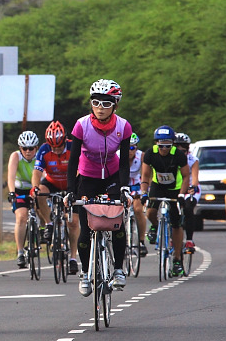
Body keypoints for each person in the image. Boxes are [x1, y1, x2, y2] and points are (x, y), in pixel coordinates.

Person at [66, 79, 132, 296]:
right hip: (87, 178)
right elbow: (73, 160)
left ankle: (119, 270)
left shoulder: (123, 127)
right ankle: (85, 273)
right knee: (86, 230)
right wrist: (70, 190)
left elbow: (123, 163)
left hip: (113, 176)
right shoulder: (81, 125)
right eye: (96, 103)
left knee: (116, 223)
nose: (100, 109)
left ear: (115, 105)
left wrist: (124, 188)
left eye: (106, 104)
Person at [141, 125, 190, 277]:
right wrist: (144, 193)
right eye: (161, 145)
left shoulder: (179, 155)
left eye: (168, 145)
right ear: (156, 143)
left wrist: (182, 195)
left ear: (173, 144)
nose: (164, 148)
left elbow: (186, 176)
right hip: (157, 186)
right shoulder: (150, 154)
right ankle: (155, 226)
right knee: (150, 212)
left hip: (175, 188)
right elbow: (145, 175)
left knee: (176, 223)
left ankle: (176, 259)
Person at [31, 120, 80, 274]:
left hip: (71, 183)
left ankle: (72, 258)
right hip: (52, 182)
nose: (56, 150)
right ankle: (49, 223)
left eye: (59, 147)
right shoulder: (44, 150)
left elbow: (80, 169)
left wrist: (73, 189)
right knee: (39, 193)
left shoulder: (73, 147)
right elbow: (37, 173)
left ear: (65, 140)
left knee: (73, 222)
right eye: (53, 147)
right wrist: (34, 187)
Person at [8, 130, 41, 268]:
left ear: (36, 148)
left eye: (31, 148)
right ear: (20, 148)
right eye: (24, 148)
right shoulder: (16, 156)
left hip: (36, 188)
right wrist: (11, 192)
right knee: (21, 217)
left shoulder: (40, 156)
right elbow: (11, 175)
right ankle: (20, 252)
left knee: (43, 209)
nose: (28, 151)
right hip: (19, 189)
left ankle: (45, 230)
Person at [175, 132, 200, 253]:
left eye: (183, 151)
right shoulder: (170, 158)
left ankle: (189, 239)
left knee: (189, 208)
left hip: (189, 188)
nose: (181, 154)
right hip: (176, 187)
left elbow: (195, 178)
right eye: (177, 150)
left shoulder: (193, 160)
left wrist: (193, 187)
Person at [125, 132, 149, 257]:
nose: (129, 151)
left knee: (138, 209)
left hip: (137, 185)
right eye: (127, 147)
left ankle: (141, 242)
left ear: (136, 148)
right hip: (123, 185)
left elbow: (146, 174)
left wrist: (144, 191)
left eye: (132, 148)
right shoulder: (117, 156)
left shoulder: (142, 156)